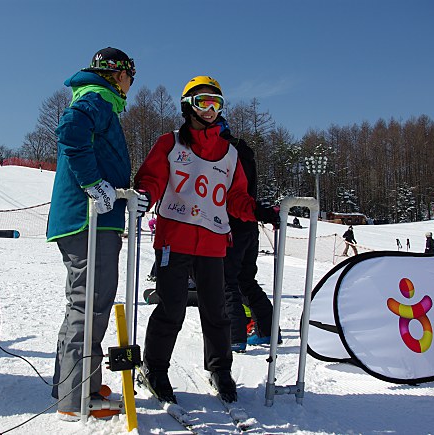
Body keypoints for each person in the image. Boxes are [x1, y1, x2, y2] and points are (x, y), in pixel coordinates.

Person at [134, 76, 280, 404]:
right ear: (189, 105)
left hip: (214, 242)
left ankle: (219, 368)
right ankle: (154, 368)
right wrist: (145, 194)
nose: (211, 109)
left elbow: (236, 197)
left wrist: (260, 211)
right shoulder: (170, 143)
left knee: (216, 311)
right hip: (175, 238)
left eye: (216, 103)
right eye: (203, 102)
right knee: (171, 308)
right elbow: (153, 177)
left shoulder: (229, 153)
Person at [46, 47, 144, 420]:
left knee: (84, 304)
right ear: (119, 75)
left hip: (93, 218)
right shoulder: (96, 99)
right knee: (90, 305)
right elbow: (70, 131)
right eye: (131, 77)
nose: (131, 86)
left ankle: (76, 386)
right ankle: (77, 398)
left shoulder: (96, 100)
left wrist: (123, 193)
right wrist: (93, 183)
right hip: (89, 221)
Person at [222, 138, 281, 353]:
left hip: (232, 224)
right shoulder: (245, 155)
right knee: (245, 281)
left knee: (227, 282)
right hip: (249, 223)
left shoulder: (224, 154)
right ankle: (269, 330)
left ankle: (235, 336)